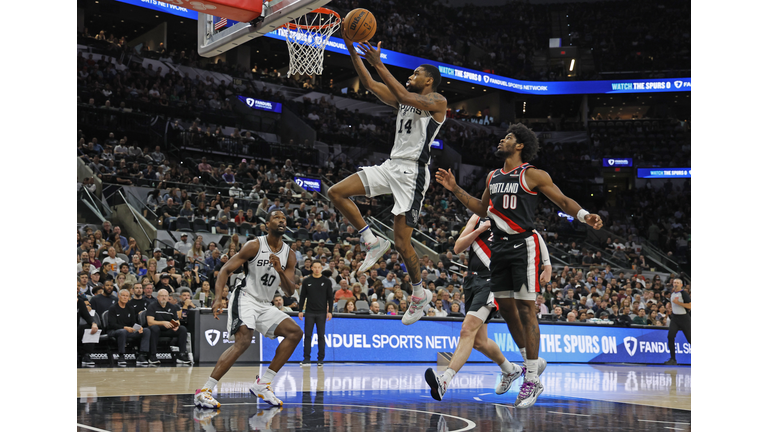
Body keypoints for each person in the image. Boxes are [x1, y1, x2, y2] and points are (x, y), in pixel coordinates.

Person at [435, 123, 603, 409]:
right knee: (508, 310)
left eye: (508, 137)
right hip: (499, 248)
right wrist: (454, 189)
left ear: (520, 145)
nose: (502, 140)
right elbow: (481, 208)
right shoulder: (493, 176)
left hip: (523, 246)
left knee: (526, 309)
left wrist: (585, 215)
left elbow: (562, 200)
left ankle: (532, 377)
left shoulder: (532, 174)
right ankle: (530, 366)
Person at [328, 34, 447, 327]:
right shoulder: (404, 100)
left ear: (429, 80)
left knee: (402, 243)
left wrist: (380, 64)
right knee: (336, 192)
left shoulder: (437, 101)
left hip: (413, 175)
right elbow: (369, 84)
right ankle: (370, 240)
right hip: (391, 165)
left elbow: (406, 96)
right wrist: (351, 51)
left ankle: (420, 295)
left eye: (416, 73)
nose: (411, 75)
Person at [425, 215, 551, 401]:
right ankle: (510, 370)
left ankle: (445, 380)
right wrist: (480, 229)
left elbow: (535, 235)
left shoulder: (509, 212)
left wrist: (547, 264)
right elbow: (458, 247)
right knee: (478, 341)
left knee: (467, 329)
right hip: (472, 280)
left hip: (494, 280)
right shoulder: (477, 218)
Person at [194, 211, 303, 409]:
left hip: (265, 304)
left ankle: (263, 384)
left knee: (295, 333)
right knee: (243, 340)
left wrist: (279, 270)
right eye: (277, 217)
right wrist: (218, 298)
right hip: (245, 297)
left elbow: (289, 290)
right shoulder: (255, 245)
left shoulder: (290, 254)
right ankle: (204, 392)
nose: (281, 220)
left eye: (284, 218)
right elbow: (225, 270)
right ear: (267, 224)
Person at [298, 260, 333, 367]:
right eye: (315, 267)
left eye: (319, 267)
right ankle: (306, 359)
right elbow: (302, 296)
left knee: (321, 336)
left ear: (321, 268)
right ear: (311, 268)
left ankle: (320, 359)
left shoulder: (327, 281)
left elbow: (330, 298)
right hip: (309, 312)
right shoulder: (306, 281)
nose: (317, 269)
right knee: (308, 335)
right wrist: (300, 311)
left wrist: (330, 311)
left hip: (322, 313)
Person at [107, 288, 151, 367]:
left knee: (146, 331)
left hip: (128, 331)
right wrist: (125, 327)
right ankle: (121, 356)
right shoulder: (113, 308)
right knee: (122, 332)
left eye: (127, 296)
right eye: (123, 295)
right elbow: (112, 324)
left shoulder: (130, 308)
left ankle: (141, 355)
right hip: (114, 331)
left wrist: (139, 328)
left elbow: (133, 323)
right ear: (119, 296)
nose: (125, 297)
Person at [146, 289, 191, 365]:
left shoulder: (172, 307)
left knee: (182, 329)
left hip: (169, 329)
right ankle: (152, 356)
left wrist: (176, 325)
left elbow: (177, 321)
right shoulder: (152, 306)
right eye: (162, 296)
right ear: (158, 297)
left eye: (165, 296)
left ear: (168, 297)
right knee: (154, 328)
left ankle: (182, 355)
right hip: (157, 329)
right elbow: (150, 322)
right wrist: (163, 323)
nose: (164, 298)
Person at [665, 278, 691, 365]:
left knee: (690, 339)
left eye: (677, 283)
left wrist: (678, 303)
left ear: (681, 285)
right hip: (675, 318)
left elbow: (690, 306)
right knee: (670, 336)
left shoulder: (684, 293)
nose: (675, 284)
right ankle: (673, 359)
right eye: (674, 282)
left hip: (684, 318)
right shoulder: (672, 294)